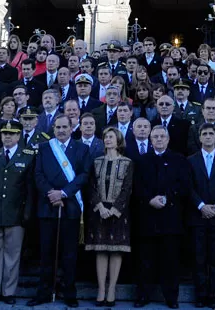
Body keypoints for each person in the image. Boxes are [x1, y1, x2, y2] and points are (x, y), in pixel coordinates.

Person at [28, 114, 91, 307]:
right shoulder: (45, 148)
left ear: (72, 128)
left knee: (69, 254)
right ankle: (44, 292)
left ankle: (69, 292)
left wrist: (63, 193)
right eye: (58, 127)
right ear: (53, 129)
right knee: (47, 253)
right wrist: (51, 194)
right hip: (48, 207)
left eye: (65, 127)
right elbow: (37, 175)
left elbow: (84, 175)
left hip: (70, 207)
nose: (61, 131)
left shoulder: (82, 148)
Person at [0, 120, 36, 305]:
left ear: (19, 135)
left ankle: (9, 291)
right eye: (4, 133)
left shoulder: (27, 155)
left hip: (16, 213)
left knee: (12, 254)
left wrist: (27, 212)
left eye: (11, 134)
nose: (8, 137)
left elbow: (30, 189)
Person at [133, 125, 189, 308]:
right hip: (148, 217)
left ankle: (171, 297)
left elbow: (185, 185)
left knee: (170, 260)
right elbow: (136, 186)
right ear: (150, 140)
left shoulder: (179, 160)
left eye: (161, 136)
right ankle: (143, 295)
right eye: (155, 137)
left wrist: (167, 197)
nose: (158, 139)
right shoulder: (142, 161)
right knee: (145, 260)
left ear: (168, 139)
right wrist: (150, 199)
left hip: (171, 217)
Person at [86, 127, 133, 307]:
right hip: (99, 210)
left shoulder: (127, 162)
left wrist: (114, 209)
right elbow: (91, 186)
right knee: (101, 250)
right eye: (105, 137)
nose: (107, 140)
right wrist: (99, 206)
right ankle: (101, 289)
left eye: (111, 137)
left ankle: (112, 288)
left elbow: (127, 188)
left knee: (115, 250)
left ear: (118, 140)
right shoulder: (96, 161)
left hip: (118, 211)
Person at [188, 123, 215, 309]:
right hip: (197, 216)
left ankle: (212, 294)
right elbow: (188, 187)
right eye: (204, 133)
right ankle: (201, 294)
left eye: (210, 133)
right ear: (199, 137)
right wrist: (201, 206)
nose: (207, 136)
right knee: (198, 257)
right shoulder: (190, 160)